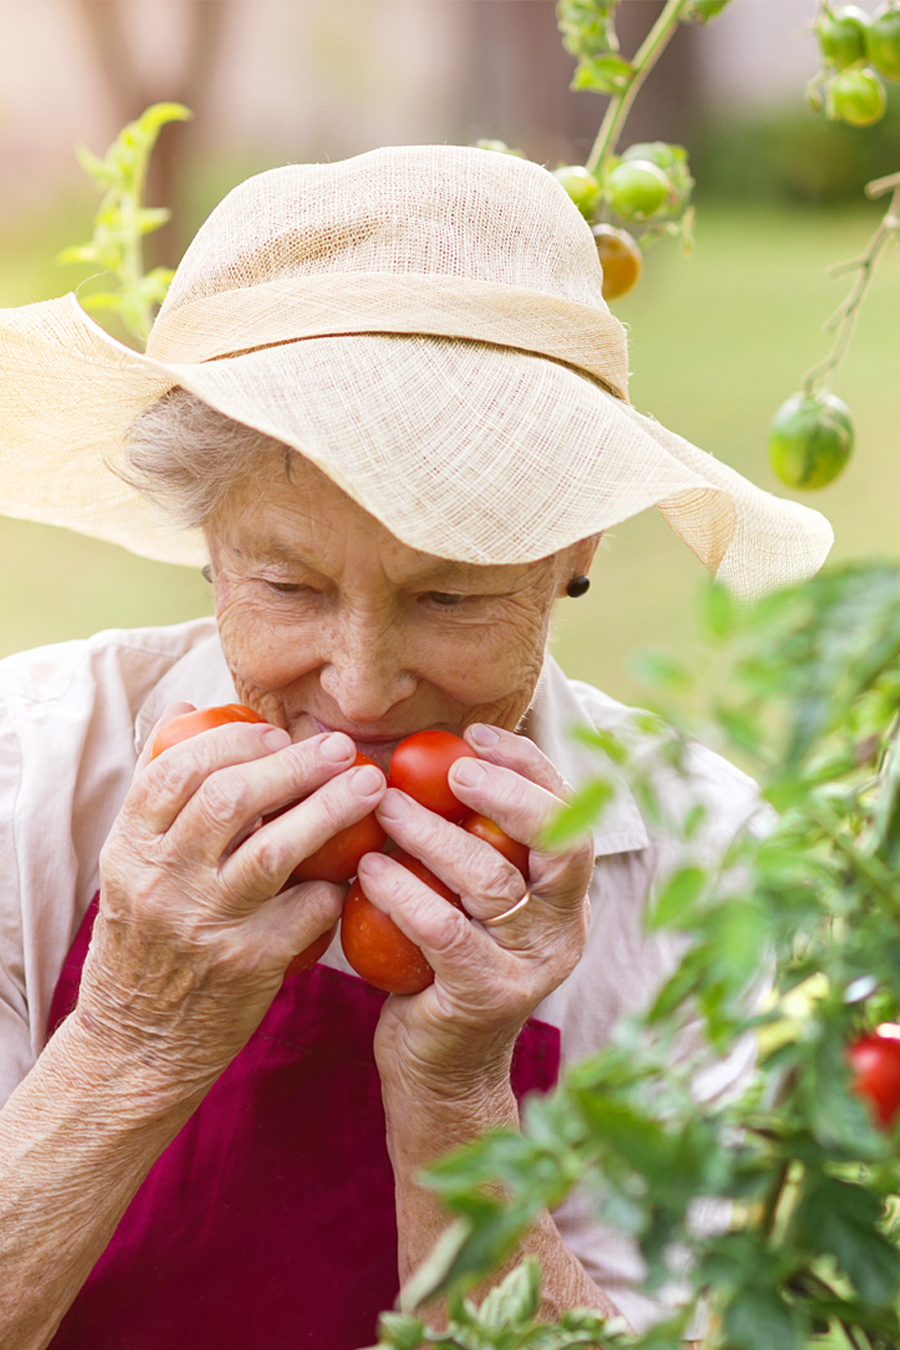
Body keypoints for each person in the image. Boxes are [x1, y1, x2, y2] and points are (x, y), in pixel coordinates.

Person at [0, 144, 832, 1350]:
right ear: (208, 543)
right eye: (286, 585)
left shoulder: (716, 874)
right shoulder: (27, 775)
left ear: (574, 553)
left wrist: (456, 1104)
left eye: (450, 602)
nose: (360, 685)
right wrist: (132, 1039)